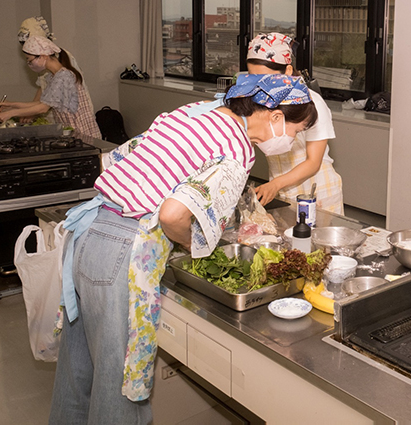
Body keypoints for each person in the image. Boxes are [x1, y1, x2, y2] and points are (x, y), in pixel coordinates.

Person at [48, 74, 317, 424]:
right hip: (122, 253)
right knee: (119, 388)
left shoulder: (199, 112)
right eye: (296, 132)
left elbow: (120, 159)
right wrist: (190, 242)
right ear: (276, 117)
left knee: (77, 375)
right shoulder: (236, 150)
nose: (293, 140)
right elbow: (172, 213)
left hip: (89, 233)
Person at [243, 33, 344, 214]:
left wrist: (275, 185)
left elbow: (313, 162)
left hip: (317, 188)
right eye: (253, 77)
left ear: (288, 71)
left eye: (266, 78)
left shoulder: (313, 103)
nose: (259, 84)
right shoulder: (259, 101)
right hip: (280, 187)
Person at [0, 36, 102, 139]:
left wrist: (10, 113)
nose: (29, 64)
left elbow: (43, 108)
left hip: (84, 134)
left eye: (30, 60)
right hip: (72, 134)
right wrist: (12, 105)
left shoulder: (64, 76)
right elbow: (42, 103)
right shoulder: (53, 76)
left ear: (43, 56)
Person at [16, 16, 93, 123]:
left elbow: (45, 104)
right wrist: (27, 111)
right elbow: (43, 87)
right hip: (59, 116)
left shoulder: (61, 62)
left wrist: (28, 111)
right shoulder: (43, 62)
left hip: (75, 118)